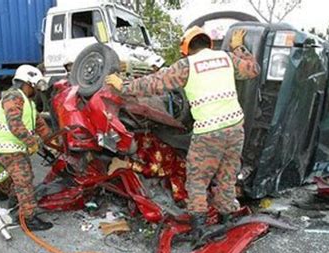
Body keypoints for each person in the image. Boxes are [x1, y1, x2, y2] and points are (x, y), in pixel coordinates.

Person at [106, 27, 260, 234]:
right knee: (226, 175)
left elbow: (155, 83)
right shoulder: (227, 58)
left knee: (197, 179)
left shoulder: (187, 66)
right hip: (234, 129)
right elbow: (253, 69)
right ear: (209, 43)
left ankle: (199, 228)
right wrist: (238, 47)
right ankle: (226, 220)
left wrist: (123, 86)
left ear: (186, 49)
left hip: (209, 132)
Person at [0, 65, 53, 231]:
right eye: (35, 86)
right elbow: (15, 124)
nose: (36, 91)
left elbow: (40, 124)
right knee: (24, 181)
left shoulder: (27, 102)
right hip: (8, 149)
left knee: (19, 179)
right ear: (28, 83)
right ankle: (29, 218)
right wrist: (32, 142)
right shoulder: (13, 97)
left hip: (14, 148)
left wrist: (55, 142)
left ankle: (15, 204)